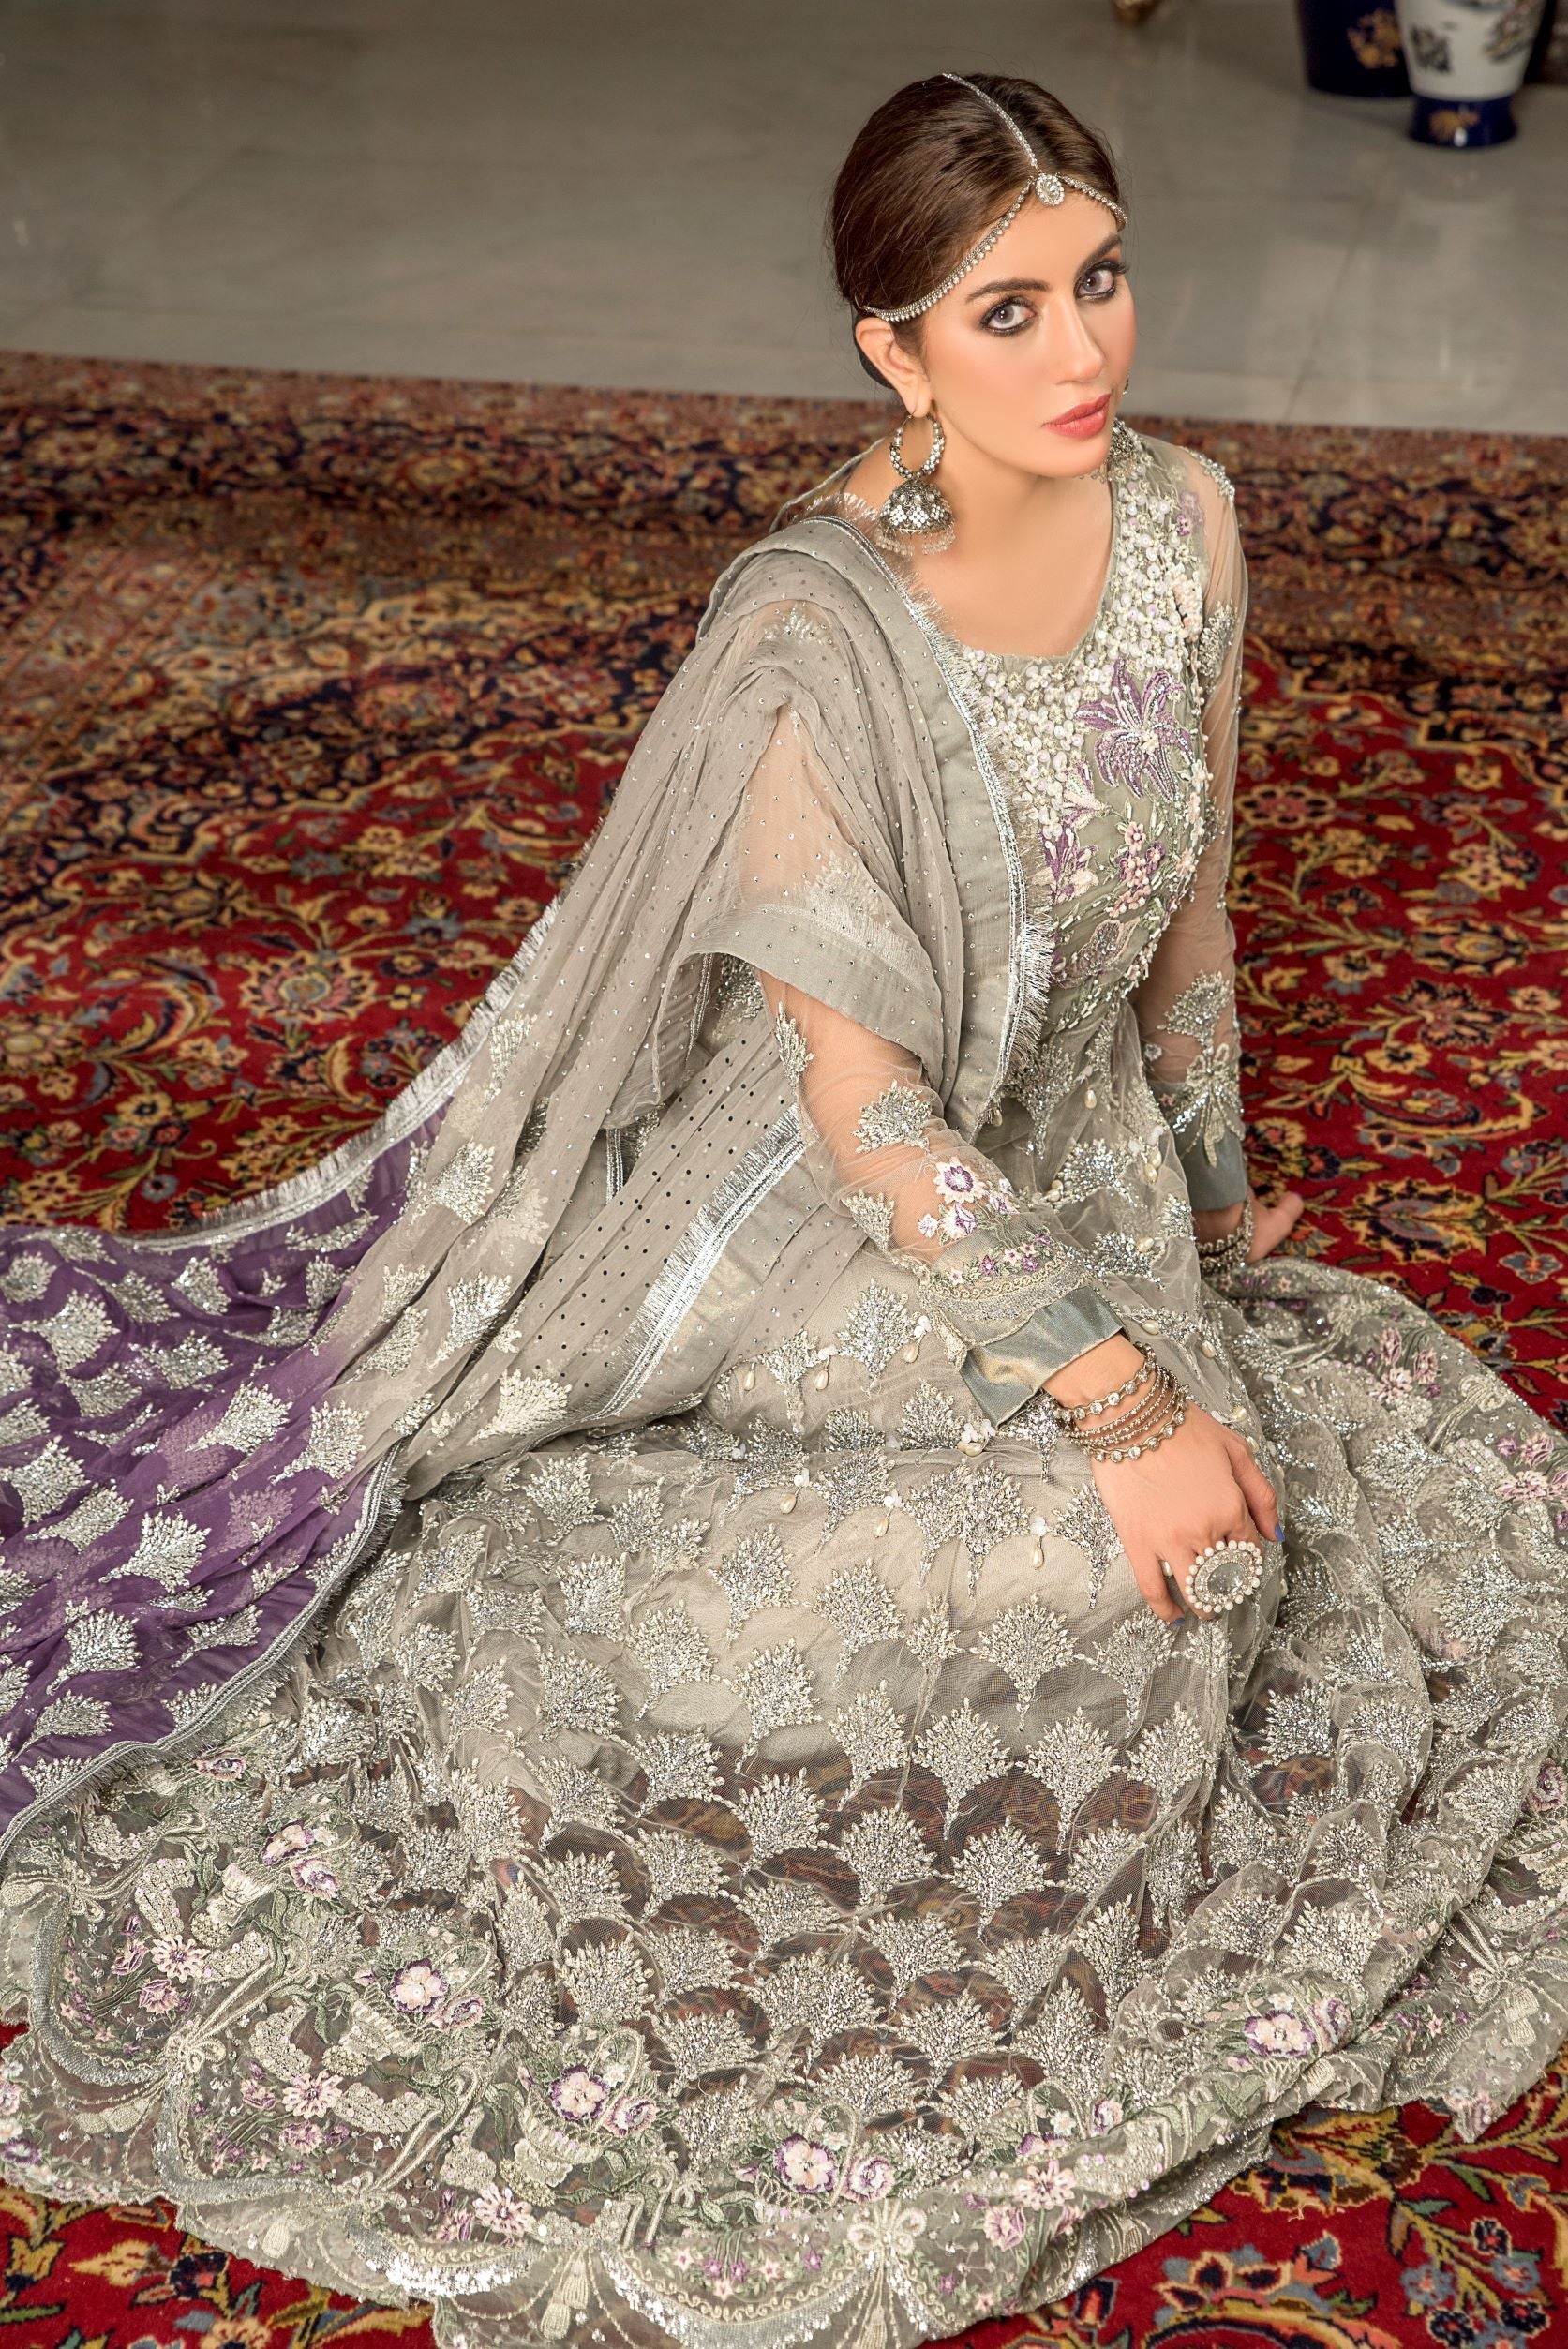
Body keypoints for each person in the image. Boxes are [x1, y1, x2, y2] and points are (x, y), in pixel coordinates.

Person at [0, 66, 1565, 2349]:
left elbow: (1197, 915)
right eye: (1006, 311)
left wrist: (1208, 1210)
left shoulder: (1193, 523)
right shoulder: (821, 633)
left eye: (1101, 280)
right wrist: (1117, 1393)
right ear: (892, 351)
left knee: (1265, 1544)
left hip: (1073, 1170)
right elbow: (863, 1105)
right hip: (819, 1221)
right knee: (1119, 1549)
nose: (1082, 351)